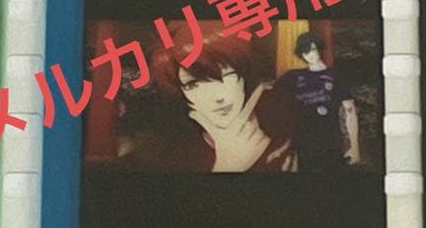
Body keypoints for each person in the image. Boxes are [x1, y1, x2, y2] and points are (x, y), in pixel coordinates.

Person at [150, 22, 298, 173]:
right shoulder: (176, 156)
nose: (217, 97)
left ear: (241, 78)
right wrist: (228, 166)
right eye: (193, 85)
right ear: (182, 92)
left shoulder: (283, 122)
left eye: (226, 76)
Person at [275, 30, 360, 173]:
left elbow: (350, 112)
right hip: (305, 144)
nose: (310, 55)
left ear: (319, 49)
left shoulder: (336, 75)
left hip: (331, 141)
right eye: (305, 52)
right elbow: (272, 92)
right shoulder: (294, 76)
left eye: (312, 49)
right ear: (301, 54)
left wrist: (355, 146)